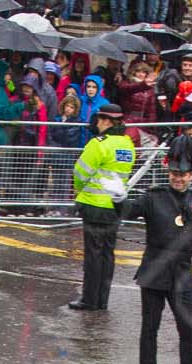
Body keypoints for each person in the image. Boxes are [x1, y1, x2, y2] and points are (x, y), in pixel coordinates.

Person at [123, 143, 192, 364]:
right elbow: (126, 212)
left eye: (183, 174)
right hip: (153, 273)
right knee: (150, 330)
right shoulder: (153, 198)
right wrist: (116, 198)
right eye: (174, 173)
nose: (178, 178)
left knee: (189, 332)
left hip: (183, 275)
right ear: (168, 171)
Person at [67, 100, 132, 312]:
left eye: (100, 120)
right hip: (115, 206)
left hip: (94, 205)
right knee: (107, 254)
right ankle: (102, 299)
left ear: (106, 121)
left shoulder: (99, 143)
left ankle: (89, 299)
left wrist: (79, 191)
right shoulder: (127, 144)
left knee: (93, 255)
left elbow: (80, 173)